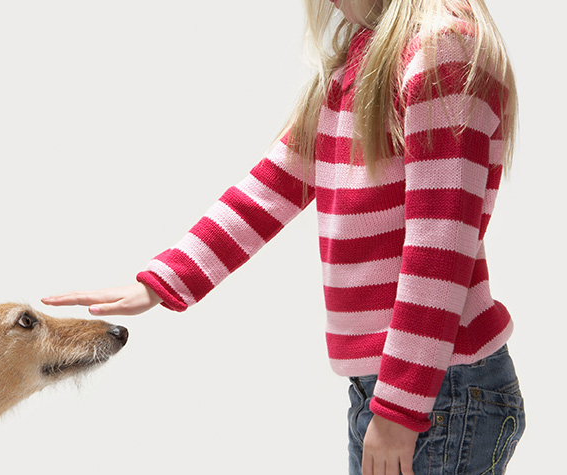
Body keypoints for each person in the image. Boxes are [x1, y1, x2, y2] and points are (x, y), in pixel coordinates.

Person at [42, 1, 525, 474]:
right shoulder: (363, 59)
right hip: (395, 389)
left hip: (438, 389)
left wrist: (400, 407)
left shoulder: (443, 49)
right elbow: (271, 187)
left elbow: (439, 247)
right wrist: (161, 281)